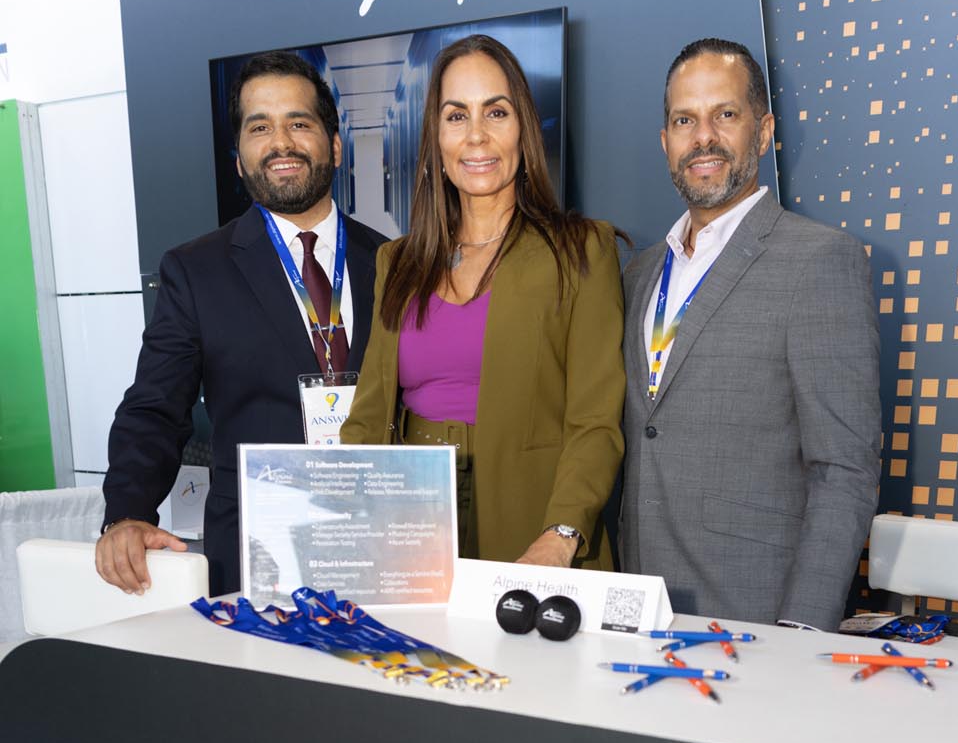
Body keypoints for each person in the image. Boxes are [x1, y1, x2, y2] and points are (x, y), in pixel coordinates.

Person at [97, 50, 387, 596]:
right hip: (258, 560)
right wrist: (127, 512)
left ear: (335, 146)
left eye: (299, 123)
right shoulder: (195, 271)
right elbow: (155, 407)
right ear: (239, 159)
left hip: (386, 546)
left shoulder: (395, 262)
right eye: (260, 127)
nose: (281, 143)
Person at [620, 37, 882, 631]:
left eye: (725, 115)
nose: (703, 138)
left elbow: (843, 470)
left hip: (756, 616)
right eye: (684, 120)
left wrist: (803, 629)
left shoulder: (819, 261)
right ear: (665, 142)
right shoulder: (639, 273)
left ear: (763, 133)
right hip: (638, 609)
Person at [340, 34, 624, 569]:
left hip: (535, 525)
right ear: (435, 138)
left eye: (496, 112)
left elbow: (596, 422)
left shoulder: (581, 250)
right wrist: (336, 521)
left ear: (523, 129)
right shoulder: (397, 262)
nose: (476, 135)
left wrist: (561, 535)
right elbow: (367, 417)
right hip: (410, 526)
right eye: (456, 116)